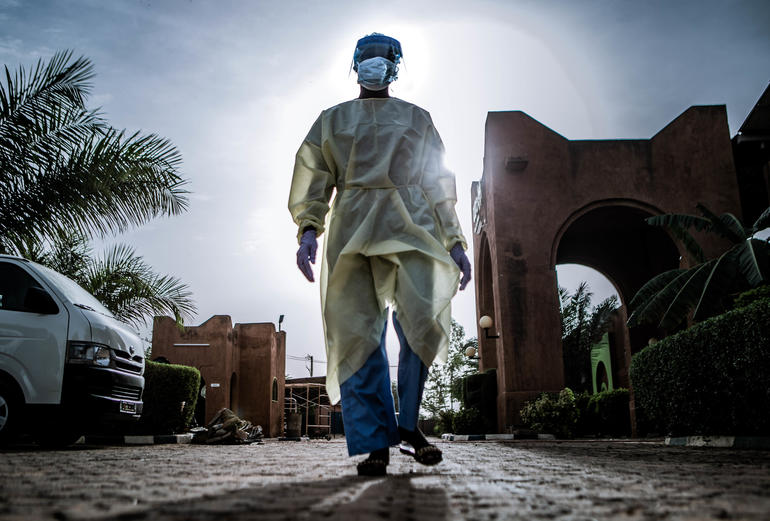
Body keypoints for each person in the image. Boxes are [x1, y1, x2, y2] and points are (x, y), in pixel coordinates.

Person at [288, 33, 471, 476]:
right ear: (355, 65)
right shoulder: (332, 121)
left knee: (418, 323)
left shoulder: (416, 118)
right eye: (367, 58)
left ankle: (407, 424)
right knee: (359, 337)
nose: (375, 65)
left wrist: (456, 241)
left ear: (396, 65)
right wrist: (309, 230)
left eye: (383, 58)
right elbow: (314, 178)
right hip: (351, 232)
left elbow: (438, 184)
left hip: (414, 229)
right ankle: (376, 444)